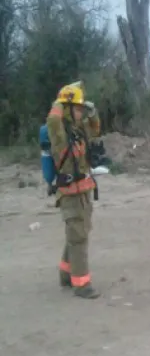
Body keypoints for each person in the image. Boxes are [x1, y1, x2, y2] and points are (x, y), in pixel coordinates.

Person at [47, 82, 102, 299]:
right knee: (78, 236)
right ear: (68, 109)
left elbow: (95, 128)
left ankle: (65, 272)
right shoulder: (59, 132)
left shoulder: (77, 131)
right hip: (69, 192)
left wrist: (92, 111)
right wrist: (61, 102)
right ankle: (82, 284)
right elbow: (53, 119)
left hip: (83, 191)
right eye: (77, 108)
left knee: (79, 232)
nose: (80, 112)